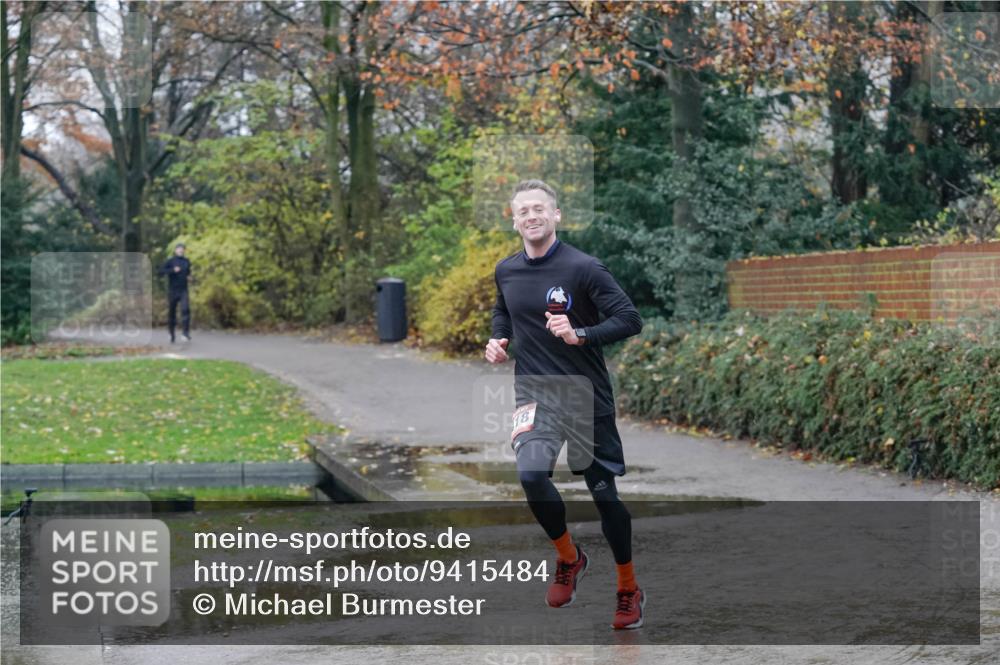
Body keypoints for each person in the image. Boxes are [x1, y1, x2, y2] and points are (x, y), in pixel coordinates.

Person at [485, 179, 645, 629]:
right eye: (523, 211)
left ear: (556, 216)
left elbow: (630, 319)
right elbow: (504, 310)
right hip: (534, 395)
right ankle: (569, 558)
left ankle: (628, 587)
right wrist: (499, 338)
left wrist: (582, 335)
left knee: (604, 497)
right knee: (531, 474)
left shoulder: (585, 268)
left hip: (585, 400)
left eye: (540, 209)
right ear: (513, 219)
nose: (531, 216)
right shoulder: (506, 270)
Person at [158, 243, 192, 343]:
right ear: (175, 250)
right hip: (173, 290)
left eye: (182, 249)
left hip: (183, 290)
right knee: (172, 313)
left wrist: (190, 278)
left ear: (184, 251)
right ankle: (171, 333)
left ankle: (185, 333)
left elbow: (188, 273)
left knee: (185, 310)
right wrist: (173, 270)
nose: (181, 250)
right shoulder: (171, 261)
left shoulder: (187, 261)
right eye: (179, 249)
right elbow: (160, 271)